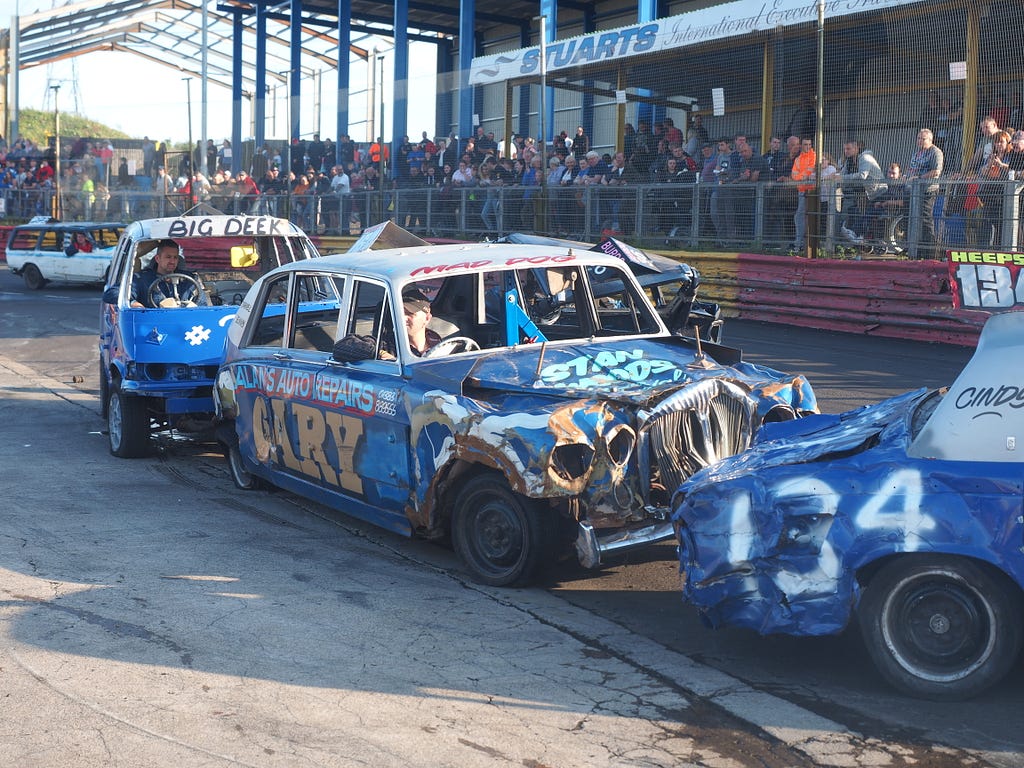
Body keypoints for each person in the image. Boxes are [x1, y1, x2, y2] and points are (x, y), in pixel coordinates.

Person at [130, 239, 205, 308]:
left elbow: (203, 304)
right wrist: (135, 304)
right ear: (157, 259)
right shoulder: (141, 279)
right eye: (168, 257)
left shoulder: (190, 280)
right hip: (153, 321)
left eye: (175, 257)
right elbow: (123, 297)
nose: (172, 261)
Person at [905, 127, 944, 259]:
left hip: (928, 190)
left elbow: (936, 172)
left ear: (930, 140)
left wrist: (919, 178)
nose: (920, 141)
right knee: (913, 218)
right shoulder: (917, 153)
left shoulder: (935, 152)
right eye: (918, 138)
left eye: (923, 139)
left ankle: (930, 252)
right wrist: (907, 176)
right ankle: (915, 249)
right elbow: (912, 168)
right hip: (914, 191)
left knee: (926, 219)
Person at [403, 288, 440, 356]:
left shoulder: (441, 345)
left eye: (410, 313)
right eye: (400, 313)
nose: (403, 318)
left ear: (427, 318)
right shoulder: (386, 347)